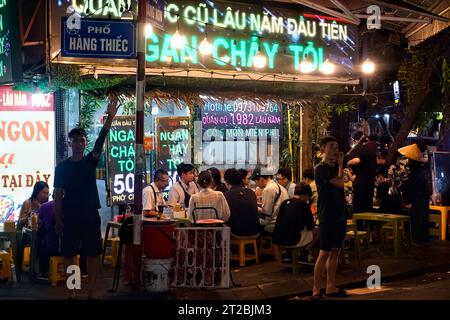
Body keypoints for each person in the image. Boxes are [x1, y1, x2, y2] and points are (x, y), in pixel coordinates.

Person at [54, 93, 118, 300]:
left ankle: (91, 292)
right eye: (76, 141)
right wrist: (58, 219)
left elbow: (100, 141)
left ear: (85, 142)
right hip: (71, 216)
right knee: (69, 255)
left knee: (92, 254)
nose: (79, 144)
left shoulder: (90, 161)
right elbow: (58, 195)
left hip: (90, 216)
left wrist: (110, 118)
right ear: (70, 143)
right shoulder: (62, 167)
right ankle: (73, 291)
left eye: (82, 140)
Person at [312, 136, 349, 299]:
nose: (335, 149)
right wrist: (341, 165)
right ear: (322, 150)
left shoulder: (335, 168)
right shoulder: (320, 168)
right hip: (327, 214)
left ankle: (330, 286)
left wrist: (340, 165)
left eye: (336, 146)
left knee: (335, 251)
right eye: (331, 146)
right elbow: (340, 183)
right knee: (324, 252)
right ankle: (315, 290)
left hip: (340, 213)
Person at [272, 183, 320, 261]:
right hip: (293, 240)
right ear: (305, 195)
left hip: (277, 239)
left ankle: (302, 251)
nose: (308, 199)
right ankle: (307, 249)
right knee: (320, 232)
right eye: (308, 197)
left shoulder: (285, 202)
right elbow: (310, 227)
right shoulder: (304, 205)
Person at [400, 143, 430, 247]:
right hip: (422, 196)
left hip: (418, 198)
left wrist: (408, 200)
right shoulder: (420, 169)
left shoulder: (414, 171)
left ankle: (418, 239)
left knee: (418, 218)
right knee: (423, 218)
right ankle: (423, 239)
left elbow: (411, 185)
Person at [223, 168, 260, 237]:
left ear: (227, 182)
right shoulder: (251, 192)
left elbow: (225, 216)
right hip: (256, 231)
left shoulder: (226, 195)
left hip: (237, 232)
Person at [346, 132, 376, 213]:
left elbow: (357, 160)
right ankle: (367, 224)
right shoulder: (371, 152)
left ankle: (358, 224)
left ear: (356, 141)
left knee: (358, 207)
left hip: (361, 183)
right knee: (367, 207)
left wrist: (347, 163)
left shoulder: (360, 148)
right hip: (370, 183)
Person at [251, 168, 288, 234]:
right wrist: (259, 204)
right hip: (283, 222)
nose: (256, 184)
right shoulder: (279, 186)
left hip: (272, 225)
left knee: (248, 223)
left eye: (256, 181)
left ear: (261, 179)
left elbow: (266, 212)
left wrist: (254, 207)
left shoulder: (268, 189)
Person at [37, 198, 58, 280]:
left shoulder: (46, 206)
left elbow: (41, 223)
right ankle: (82, 271)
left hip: (52, 248)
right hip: (73, 249)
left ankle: (44, 271)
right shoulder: (74, 205)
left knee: (40, 239)